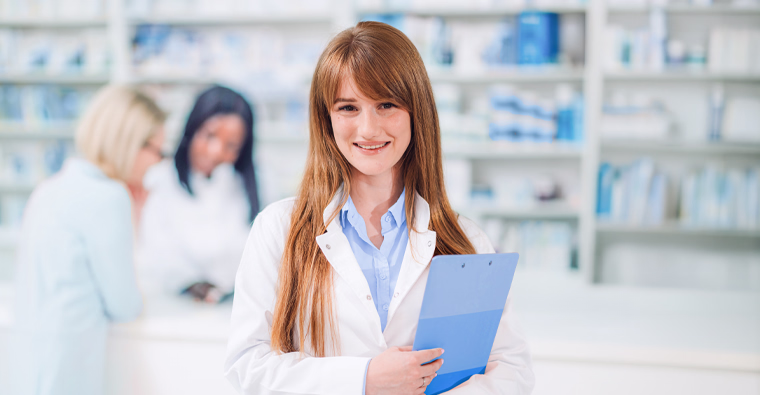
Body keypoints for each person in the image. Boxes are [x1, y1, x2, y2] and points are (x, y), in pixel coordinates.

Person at [224, 22, 534, 395]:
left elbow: (511, 369)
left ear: (416, 111)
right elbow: (247, 367)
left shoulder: (466, 239)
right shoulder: (278, 230)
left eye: (386, 105)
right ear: (327, 119)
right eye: (348, 107)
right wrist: (365, 379)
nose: (368, 129)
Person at [9, 85, 166, 395]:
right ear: (129, 143)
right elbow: (125, 305)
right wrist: (136, 213)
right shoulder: (109, 197)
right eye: (156, 151)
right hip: (67, 369)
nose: (156, 162)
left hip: (26, 364)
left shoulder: (50, 188)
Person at [138, 85, 259, 303]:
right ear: (192, 129)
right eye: (209, 136)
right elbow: (157, 254)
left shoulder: (252, 184)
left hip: (238, 308)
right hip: (175, 307)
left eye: (231, 145)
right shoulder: (159, 180)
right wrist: (192, 284)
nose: (216, 152)